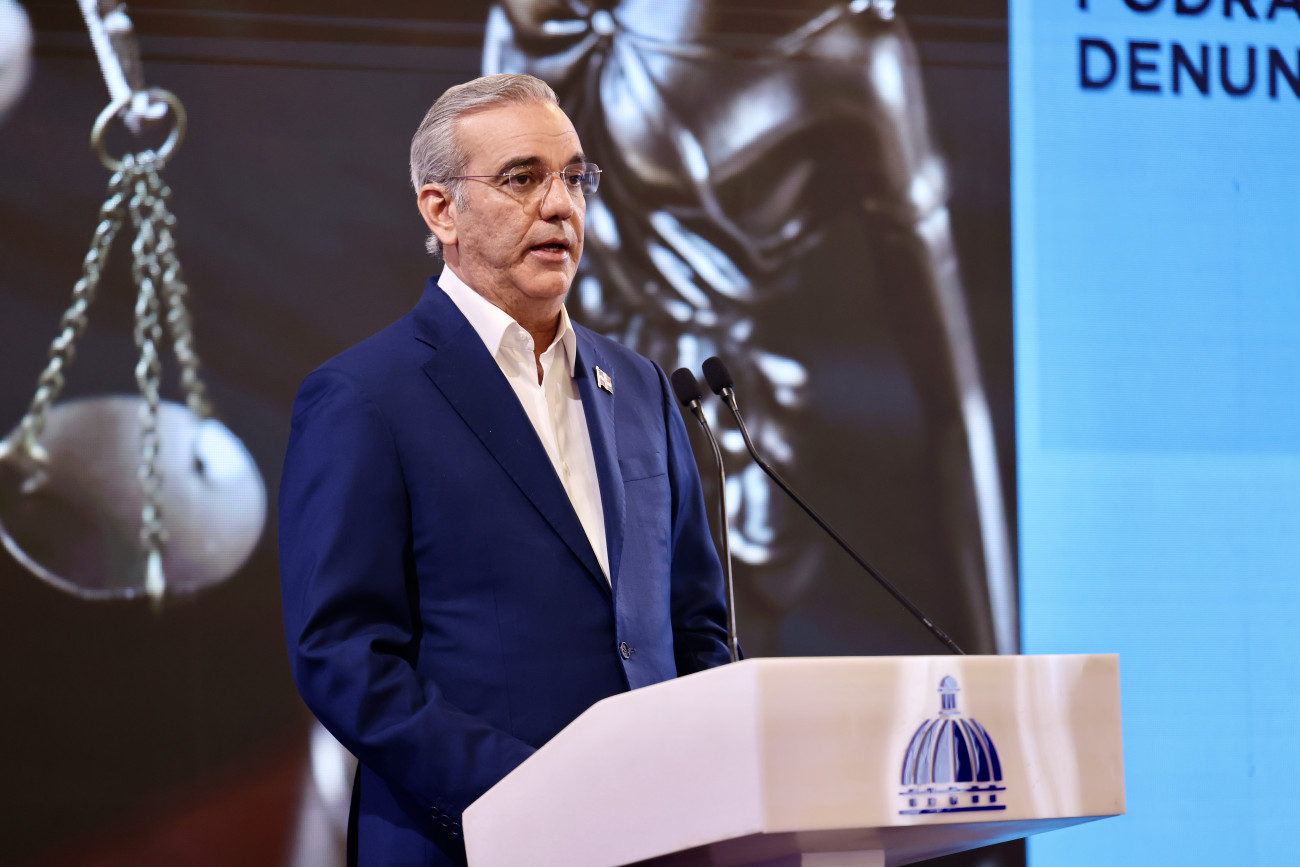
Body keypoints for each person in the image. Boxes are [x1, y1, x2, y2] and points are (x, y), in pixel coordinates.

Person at [278, 73, 732, 867]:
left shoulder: (641, 388)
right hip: (471, 841)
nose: (560, 205)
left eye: (575, 177)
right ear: (441, 210)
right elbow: (344, 656)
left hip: (659, 841)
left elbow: (695, 625)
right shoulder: (364, 397)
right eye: (523, 178)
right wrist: (532, 793)